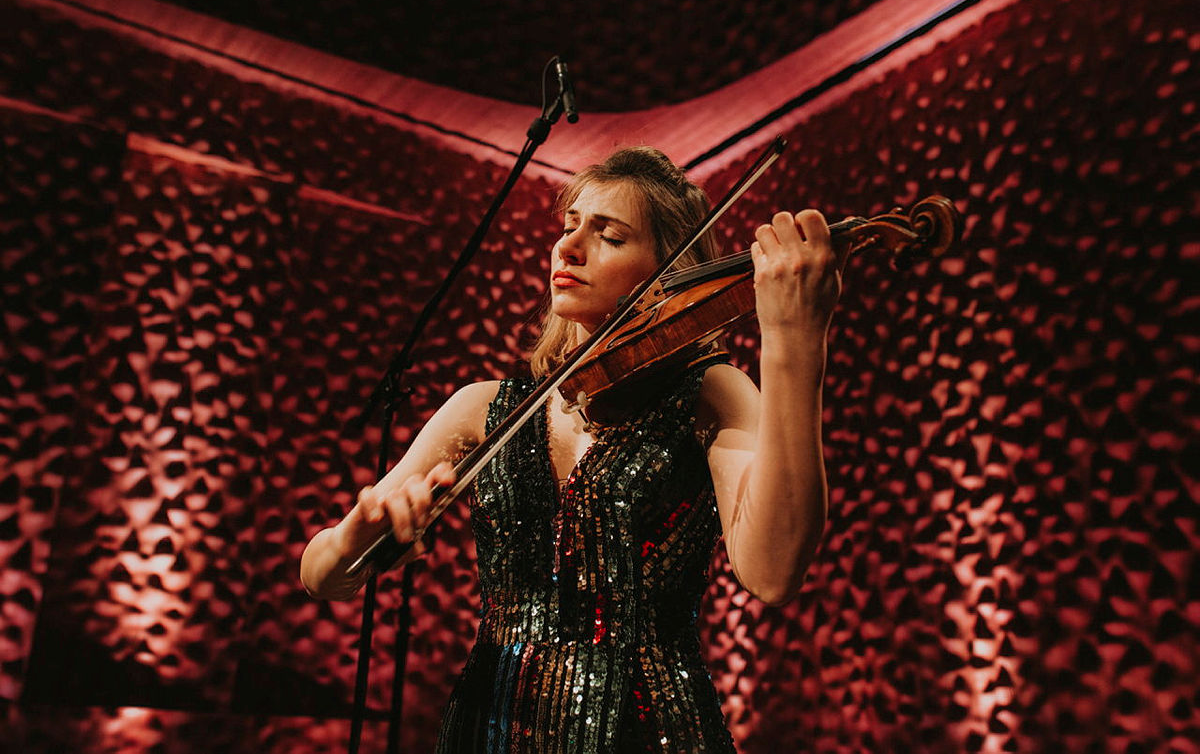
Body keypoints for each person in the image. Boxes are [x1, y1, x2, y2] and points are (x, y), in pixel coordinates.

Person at [301, 147, 843, 752]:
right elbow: (321, 575)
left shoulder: (710, 394)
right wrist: (353, 539)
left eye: (609, 235)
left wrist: (794, 339)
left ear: (669, 272)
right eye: (569, 226)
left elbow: (772, 571)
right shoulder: (484, 408)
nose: (570, 247)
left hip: (646, 732)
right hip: (490, 727)